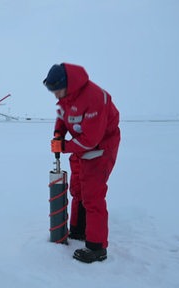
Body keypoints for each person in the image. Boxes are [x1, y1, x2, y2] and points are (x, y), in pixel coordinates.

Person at [43, 63, 120, 263]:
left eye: (56, 90)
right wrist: (59, 135)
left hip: (100, 149)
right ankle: (79, 229)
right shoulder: (65, 97)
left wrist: (64, 147)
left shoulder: (94, 98)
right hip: (80, 147)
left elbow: (91, 139)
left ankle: (97, 247)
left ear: (67, 85)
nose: (55, 96)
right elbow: (61, 118)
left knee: (93, 196)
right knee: (78, 189)